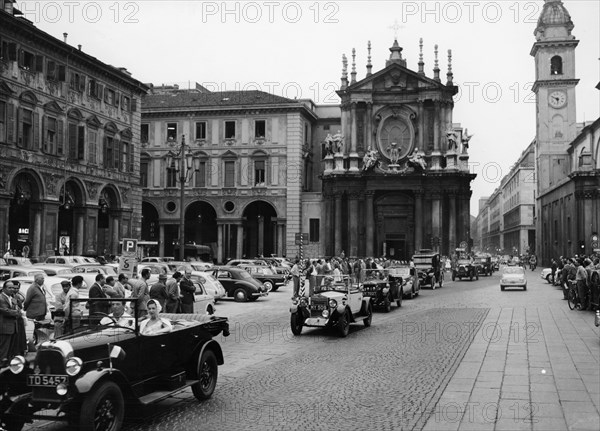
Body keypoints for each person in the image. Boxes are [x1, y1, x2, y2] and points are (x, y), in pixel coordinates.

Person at [0, 281, 21, 366]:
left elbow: (18, 308)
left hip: (12, 326)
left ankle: (8, 364)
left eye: (13, 287)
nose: (12, 289)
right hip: (4, 327)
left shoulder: (12, 297)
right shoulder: (1, 298)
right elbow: (6, 311)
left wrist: (17, 311)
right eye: (10, 288)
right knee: (3, 348)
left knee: (10, 349)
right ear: (4, 288)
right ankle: (2, 364)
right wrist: (16, 312)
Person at [8, 281, 27, 359]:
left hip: (19, 319)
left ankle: (19, 352)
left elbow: (21, 307)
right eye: (14, 288)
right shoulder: (8, 297)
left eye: (17, 288)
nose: (15, 290)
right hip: (12, 320)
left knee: (20, 337)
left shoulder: (18, 296)